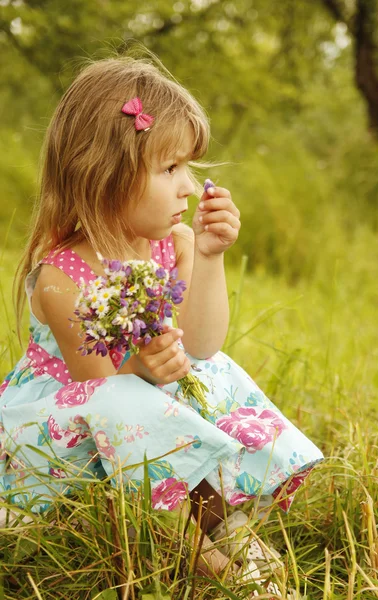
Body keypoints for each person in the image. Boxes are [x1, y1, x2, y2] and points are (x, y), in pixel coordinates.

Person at [0, 56, 323, 583]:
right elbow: (100, 393)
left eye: (189, 169)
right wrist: (144, 369)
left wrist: (212, 255)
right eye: (170, 169)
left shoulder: (173, 243)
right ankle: (204, 556)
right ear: (104, 173)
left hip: (145, 407)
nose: (189, 187)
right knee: (135, 401)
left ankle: (224, 521)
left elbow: (201, 342)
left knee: (209, 370)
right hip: (72, 430)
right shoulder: (61, 277)